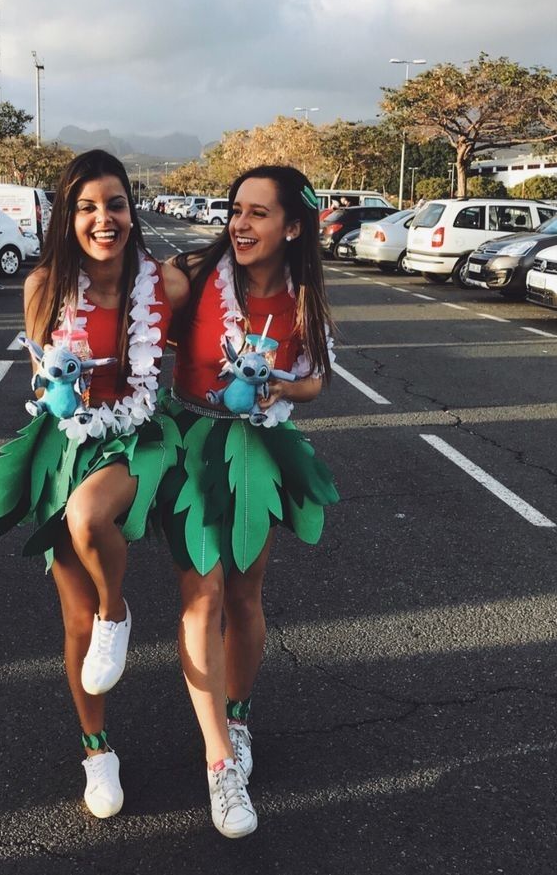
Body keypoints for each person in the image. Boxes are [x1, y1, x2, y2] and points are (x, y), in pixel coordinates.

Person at [0, 150, 188, 819]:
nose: (103, 219)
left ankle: (116, 611)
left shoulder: (164, 284)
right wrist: (53, 386)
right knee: (72, 620)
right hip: (69, 441)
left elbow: (247, 260)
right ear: (66, 216)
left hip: (138, 436)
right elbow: (41, 376)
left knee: (90, 518)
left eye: (115, 204)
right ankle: (97, 751)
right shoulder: (43, 285)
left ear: (132, 210)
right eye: (87, 206)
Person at [160, 165, 339, 839]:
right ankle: (219, 761)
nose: (240, 222)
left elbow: (316, 379)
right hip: (191, 442)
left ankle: (237, 715)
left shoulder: (304, 299)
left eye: (259, 213)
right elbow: (134, 303)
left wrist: (281, 391)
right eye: (237, 209)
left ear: (291, 226)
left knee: (244, 594)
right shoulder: (197, 275)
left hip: (258, 449)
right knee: (202, 595)